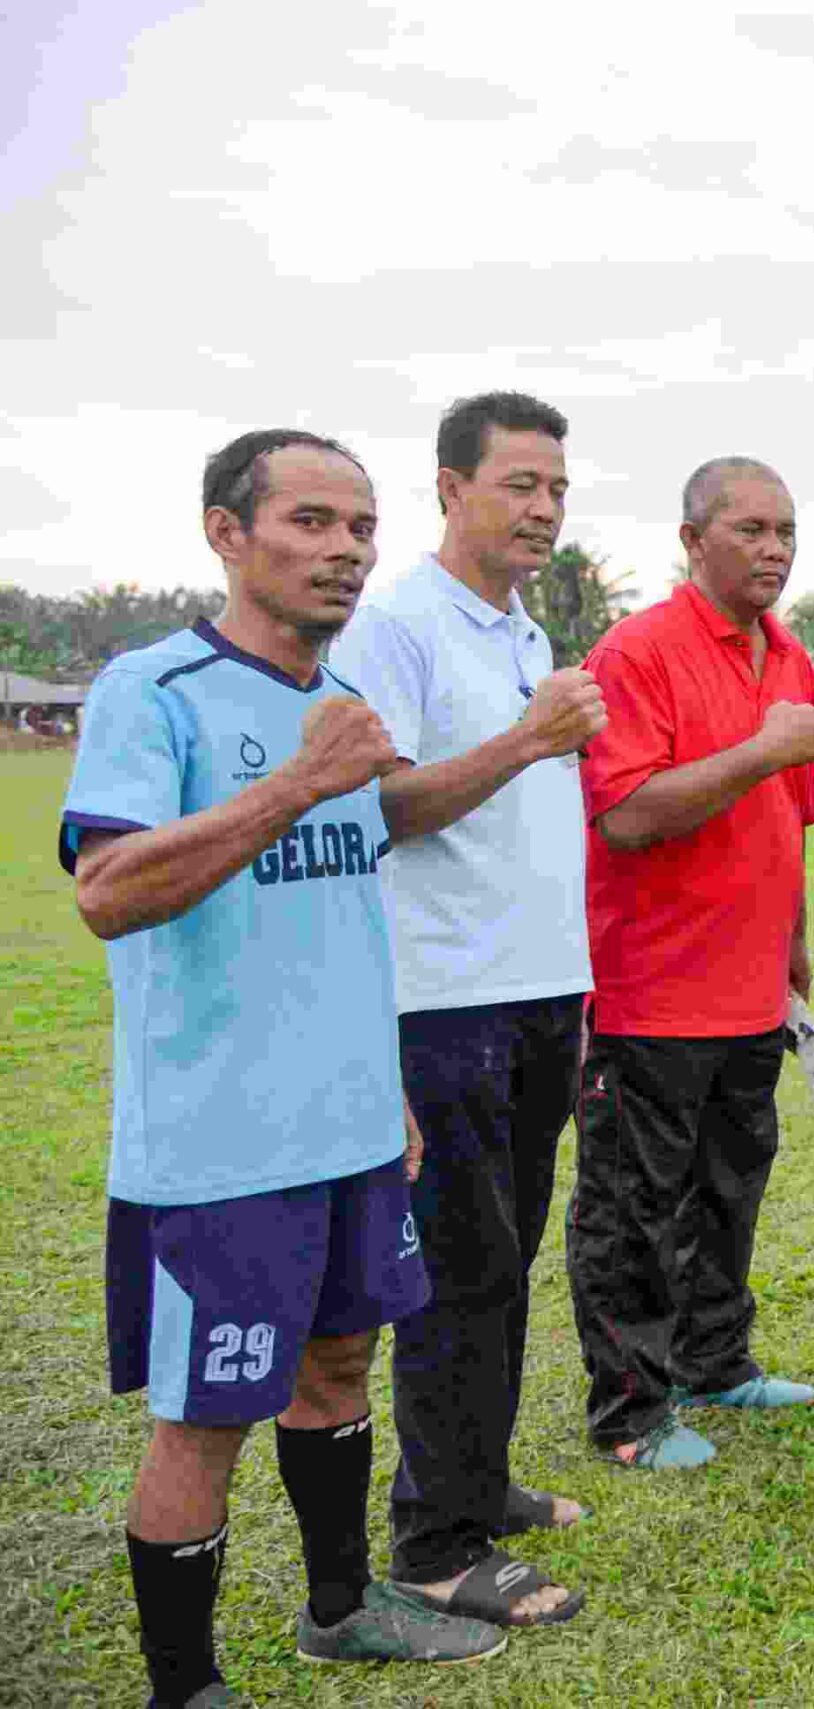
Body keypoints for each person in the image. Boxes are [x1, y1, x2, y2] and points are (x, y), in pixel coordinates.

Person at [62, 429, 505, 1706]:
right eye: (310, 521)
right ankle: (184, 1684)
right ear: (226, 531)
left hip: (355, 1125)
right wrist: (301, 781)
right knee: (204, 1416)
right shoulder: (155, 690)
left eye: (360, 528)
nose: (346, 551)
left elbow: (339, 917)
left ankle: (337, 1605)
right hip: (217, 1145)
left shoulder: (347, 700)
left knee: (340, 1364)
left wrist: (392, 1091)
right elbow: (108, 889)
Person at [330, 391, 601, 1626]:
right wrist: (529, 738)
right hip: (444, 1001)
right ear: (450, 488)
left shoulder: (525, 632)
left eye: (556, 487)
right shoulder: (395, 629)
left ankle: (478, 1481)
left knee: (509, 1253)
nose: (543, 507)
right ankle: (435, 1542)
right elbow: (374, 804)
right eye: (519, 485)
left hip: (542, 991)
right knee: (456, 1268)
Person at [567, 456, 814, 1470]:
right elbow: (627, 815)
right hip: (650, 991)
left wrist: (795, 943)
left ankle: (716, 1358)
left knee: (730, 1187)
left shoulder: (790, 657)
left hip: (750, 989)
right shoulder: (637, 653)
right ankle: (630, 1410)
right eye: (752, 528)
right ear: (690, 539)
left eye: (787, 531)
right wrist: (762, 749)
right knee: (634, 1208)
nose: (774, 549)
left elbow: (790, 820)